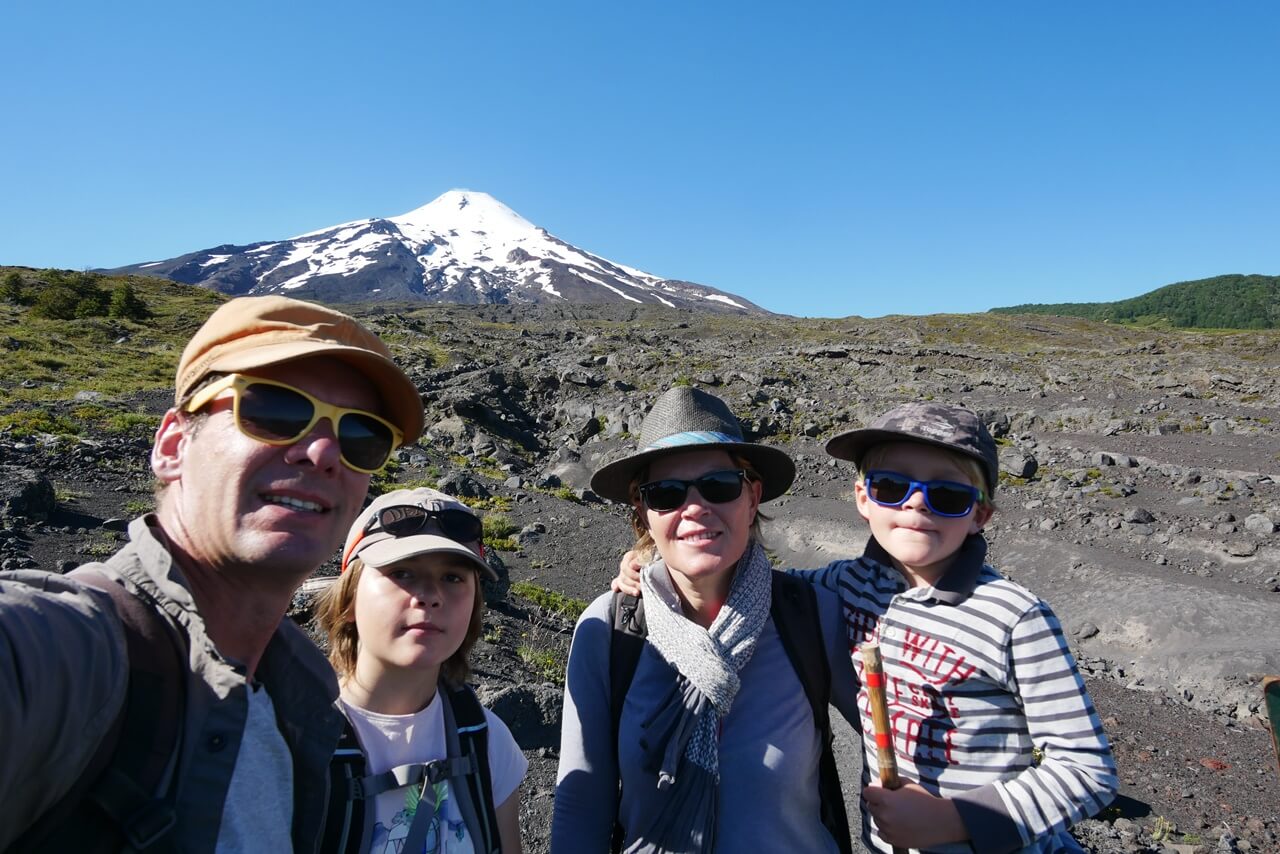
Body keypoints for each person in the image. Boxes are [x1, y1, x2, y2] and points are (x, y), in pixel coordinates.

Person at [0, 295, 424, 852]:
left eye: (361, 438)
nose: (323, 451)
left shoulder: (300, 700)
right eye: (275, 409)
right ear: (173, 445)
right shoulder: (67, 655)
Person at [615, 401, 1119, 853]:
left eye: (946, 495)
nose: (916, 504)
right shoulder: (845, 587)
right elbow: (753, 584)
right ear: (862, 498)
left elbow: (1087, 769)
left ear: (981, 513)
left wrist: (955, 820)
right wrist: (649, 565)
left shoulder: (1014, 616)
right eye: (892, 487)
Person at [553, 385, 859, 854]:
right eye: (667, 494)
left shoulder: (810, 614)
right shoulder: (610, 630)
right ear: (643, 513)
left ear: (752, 497)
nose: (695, 508)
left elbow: (901, 741)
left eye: (719, 485)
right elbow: (581, 803)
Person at [313, 487, 526, 854]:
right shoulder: (290, 744)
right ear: (349, 599)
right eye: (403, 573)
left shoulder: (488, 741)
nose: (430, 595)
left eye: (453, 578)